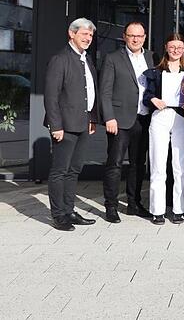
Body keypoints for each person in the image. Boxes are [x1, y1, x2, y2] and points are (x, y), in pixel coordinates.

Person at [44, 18, 100, 231]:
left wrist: (92, 119)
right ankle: (59, 215)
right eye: (84, 34)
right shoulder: (60, 59)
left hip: (83, 123)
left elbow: (90, 91)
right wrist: (55, 125)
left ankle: (69, 210)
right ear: (72, 34)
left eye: (91, 35)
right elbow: (51, 96)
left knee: (74, 170)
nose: (88, 38)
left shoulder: (86, 59)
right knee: (60, 170)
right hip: (64, 126)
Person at [99, 21, 155, 222]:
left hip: (144, 118)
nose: (135, 39)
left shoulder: (151, 57)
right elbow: (104, 90)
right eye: (131, 35)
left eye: (139, 36)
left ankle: (134, 203)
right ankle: (111, 206)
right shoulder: (113, 58)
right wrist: (109, 117)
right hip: (119, 120)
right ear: (124, 36)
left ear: (144, 37)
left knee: (138, 164)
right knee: (114, 164)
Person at [143, 34, 184, 225]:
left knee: (180, 166)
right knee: (158, 164)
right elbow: (147, 96)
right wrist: (153, 99)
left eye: (179, 47)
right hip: (160, 117)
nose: (176, 50)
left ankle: (179, 209)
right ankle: (157, 210)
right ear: (166, 48)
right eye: (172, 47)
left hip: (181, 118)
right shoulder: (155, 72)